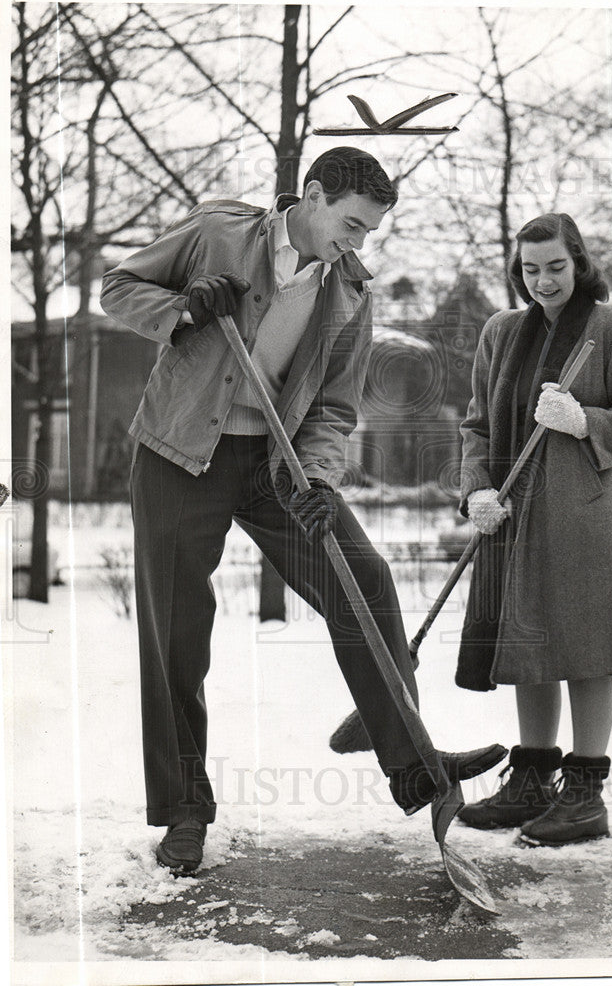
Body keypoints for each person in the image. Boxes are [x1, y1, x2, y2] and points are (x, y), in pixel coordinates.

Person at [100, 147, 504, 874]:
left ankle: (412, 766)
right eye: (351, 223)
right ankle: (184, 811)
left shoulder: (351, 291)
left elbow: (334, 409)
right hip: (180, 452)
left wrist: (317, 482)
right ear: (311, 197)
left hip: (276, 463)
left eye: (372, 231)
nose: (359, 241)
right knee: (176, 635)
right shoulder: (219, 231)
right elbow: (117, 286)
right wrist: (185, 308)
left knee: (366, 580)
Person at [455, 212, 612, 845]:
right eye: (530, 269)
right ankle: (531, 781)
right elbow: (476, 427)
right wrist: (478, 489)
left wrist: (583, 421)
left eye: (555, 267)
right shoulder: (501, 332)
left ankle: (586, 795)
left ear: (579, 262)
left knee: (586, 651)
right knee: (529, 648)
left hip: (586, 520)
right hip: (515, 521)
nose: (542, 281)